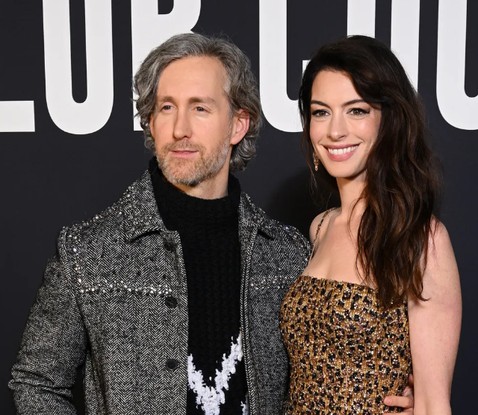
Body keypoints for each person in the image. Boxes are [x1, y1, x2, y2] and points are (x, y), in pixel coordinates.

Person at [9, 32, 413, 415]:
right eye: (166, 107)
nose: (180, 129)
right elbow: (37, 382)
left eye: (200, 107)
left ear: (239, 124)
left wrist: (394, 395)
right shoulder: (88, 251)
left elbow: (324, 372)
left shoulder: (288, 253)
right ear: (150, 121)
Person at [280, 35, 462, 414]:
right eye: (320, 112)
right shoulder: (320, 227)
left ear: (389, 119)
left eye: (357, 110)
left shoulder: (420, 238)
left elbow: (431, 404)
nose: (335, 131)